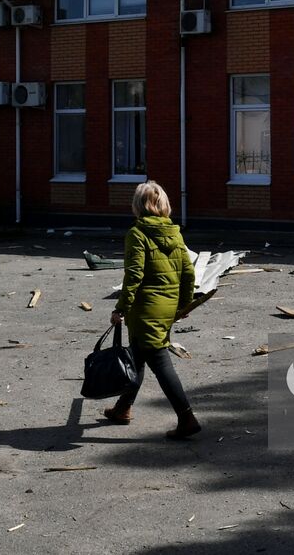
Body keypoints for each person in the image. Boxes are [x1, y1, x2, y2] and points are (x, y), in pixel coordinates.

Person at [103, 180, 201, 440]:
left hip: (145, 309)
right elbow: (189, 272)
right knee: (138, 356)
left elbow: (134, 275)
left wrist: (120, 308)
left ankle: (187, 417)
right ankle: (122, 409)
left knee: (158, 361)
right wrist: (184, 304)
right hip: (167, 308)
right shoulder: (175, 232)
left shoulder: (137, 233)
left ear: (138, 206)